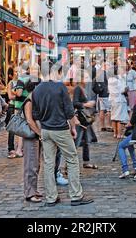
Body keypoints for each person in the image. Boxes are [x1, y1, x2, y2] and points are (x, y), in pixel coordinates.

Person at [32, 61, 93, 207]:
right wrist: (72, 127)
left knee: (48, 163)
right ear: (56, 72)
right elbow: (69, 111)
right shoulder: (60, 87)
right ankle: (76, 196)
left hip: (46, 130)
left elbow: (35, 115)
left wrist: (41, 131)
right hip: (60, 129)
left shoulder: (37, 89)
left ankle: (51, 197)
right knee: (72, 160)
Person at [22, 78, 43, 203]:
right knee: (31, 165)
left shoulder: (34, 100)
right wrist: (39, 133)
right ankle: (29, 192)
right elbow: (30, 121)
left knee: (35, 164)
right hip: (31, 136)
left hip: (35, 136)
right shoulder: (29, 101)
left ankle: (33, 190)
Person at [73, 70, 98, 170]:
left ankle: (86, 162)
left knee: (86, 141)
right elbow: (74, 103)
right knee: (77, 142)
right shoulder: (78, 89)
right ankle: (69, 165)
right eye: (86, 77)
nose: (88, 80)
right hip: (80, 118)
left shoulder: (83, 89)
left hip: (85, 119)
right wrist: (86, 104)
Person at [108, 67, 129, 139]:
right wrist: (126, 89)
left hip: (112, 99)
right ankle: (119, 134)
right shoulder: (119, 80)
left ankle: (115, 133)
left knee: (114, 117)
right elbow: (122, 90)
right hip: (119, 100)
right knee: (120, 118)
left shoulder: (110, 80)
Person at [93, 63, 111, 132]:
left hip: (100, 94)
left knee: (102, 110)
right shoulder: (106, 74)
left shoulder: (99, 74)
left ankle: (102, 126)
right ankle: (109, 125)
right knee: (109, 110)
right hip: (106, 94)